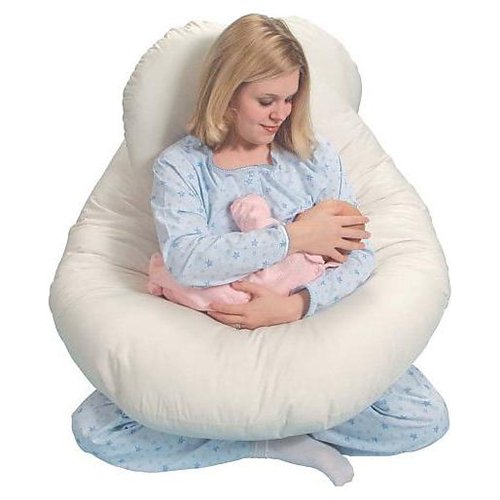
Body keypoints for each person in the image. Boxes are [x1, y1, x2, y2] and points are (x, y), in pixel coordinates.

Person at [71, 13, 449, 487]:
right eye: (266, 101)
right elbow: (187, 259)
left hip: (306, 336)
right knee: (98, 430)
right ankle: (271, 440)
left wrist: (297, 304)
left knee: (423, 417)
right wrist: (296, 236)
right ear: (227, 94)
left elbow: (361, 257)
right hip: (210, 346)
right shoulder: (183, 167)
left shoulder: (313, 159)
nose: (280, 114)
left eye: (290, 99)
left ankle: (262, 425)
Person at [145, 193, 362, 313]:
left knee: (203, 291)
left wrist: (250, 203)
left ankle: (160, 276)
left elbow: (254, 220)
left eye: (314, 208)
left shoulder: (282, 235)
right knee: (205, 299)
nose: (306, 209)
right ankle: (164, 284)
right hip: (254, 297)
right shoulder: (319, 271)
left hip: (244, 286)